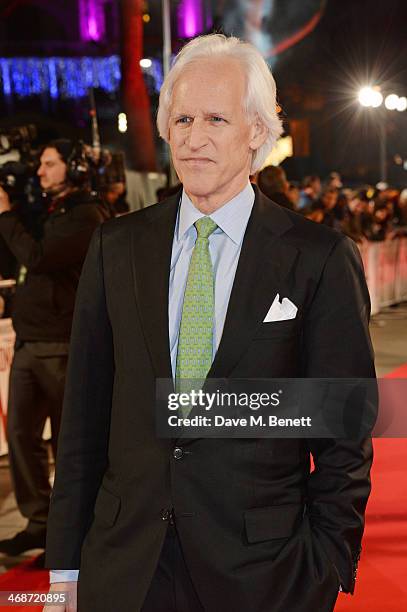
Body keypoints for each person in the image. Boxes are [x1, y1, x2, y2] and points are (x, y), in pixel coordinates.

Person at [45, 35, 375, 612]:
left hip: (264, 575)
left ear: (256, 131)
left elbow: (345, 433)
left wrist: (325, 565)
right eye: (182, 117)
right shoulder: (115, 246)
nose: (194, 137)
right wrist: (64, 571)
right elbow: (83, 420)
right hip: (125, 568)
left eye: (216, 118)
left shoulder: (317, 256)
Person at [0, 140, 106, 556]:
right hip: (29, 342)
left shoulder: (86, 214)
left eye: (49, 164)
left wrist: (6, 215)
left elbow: (38, 256)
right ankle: (39, 521)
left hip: (63, 344)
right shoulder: (45, 212)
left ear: (74, 167)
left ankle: (72, 531)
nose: (40, 173)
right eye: (39, 165)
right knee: (21, 435)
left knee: (70, 446)